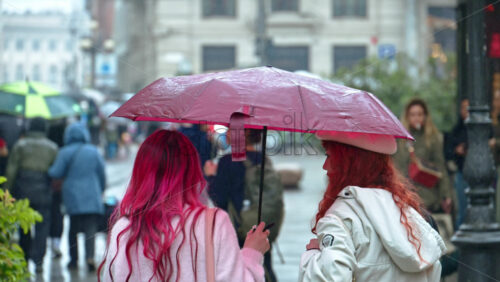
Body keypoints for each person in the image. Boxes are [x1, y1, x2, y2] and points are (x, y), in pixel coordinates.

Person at [98, 130, 269, 281]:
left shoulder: (123, 229)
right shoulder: (213, 224)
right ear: (192, 171)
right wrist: (251, 253)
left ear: (141, 173)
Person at [299, 131, 446, 281]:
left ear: (347, 163)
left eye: (329, 157)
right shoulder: (412, 215)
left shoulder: (340, 218)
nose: (325, 167)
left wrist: (312, 255)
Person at [205, 129, 284, 282]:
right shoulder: (264, 159)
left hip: (238, 227)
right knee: (265, 265)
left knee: (242, 267)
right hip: (261, 222)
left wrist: (210, 176)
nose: (227, 132)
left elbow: (219, 199)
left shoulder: (228, 161)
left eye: (230, 128)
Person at [48, 122, 106, 271]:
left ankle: (73, 260)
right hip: (92, 193)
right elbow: (102, 174)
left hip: (72, 195)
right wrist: (101, 189)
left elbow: (55, 172)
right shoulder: (93, 151)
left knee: (73, 228)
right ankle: (90, 257)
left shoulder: (64, 152)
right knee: (90, 228)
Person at [5, 117, 58, 273]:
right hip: (43, 190)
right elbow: (56, 173)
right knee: (42, 227)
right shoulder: (52, 147)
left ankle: (25, 259)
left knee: (24, 227)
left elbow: (11, 171)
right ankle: (39, 261)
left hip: (23, 190)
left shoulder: (20, 145)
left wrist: (7, 193)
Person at [394, 98, 453, 214]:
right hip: (403, 194)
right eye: (412, 114)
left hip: (427, 196)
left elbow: (440, 166)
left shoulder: (432, 138)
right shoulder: (400, 139)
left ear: (425, 116)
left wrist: (446, 195)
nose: (416, 118)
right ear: (407, 116)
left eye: (420, 114)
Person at [445, 99, 469, 228]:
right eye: (464, 108)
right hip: (462, 172)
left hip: (482, 174)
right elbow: (448, 152)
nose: (467, 111)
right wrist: (457, 150)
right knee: (463, 211)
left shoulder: (483, 128)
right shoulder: (456, 130)